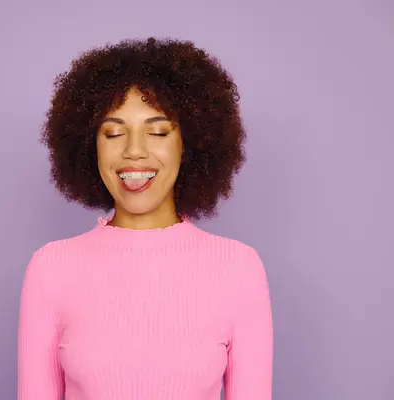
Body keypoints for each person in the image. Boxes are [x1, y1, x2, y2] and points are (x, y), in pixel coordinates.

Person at [17, 37, 273, 400]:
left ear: (190, 145)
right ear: (90, 146)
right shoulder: (50, 268)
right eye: (114, 133)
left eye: (157, 132)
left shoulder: (240, 269)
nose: (134, 150)